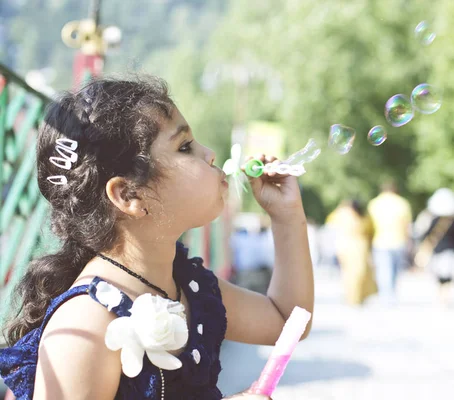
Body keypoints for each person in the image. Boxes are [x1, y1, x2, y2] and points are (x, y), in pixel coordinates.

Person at [0, 76, 314, 400]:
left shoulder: (187, 284)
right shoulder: (85, 325)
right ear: (129, 194)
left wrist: (287, 217)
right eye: (185, 147)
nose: (210, 154)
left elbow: (286, 320)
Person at [367, 181, 412, 305]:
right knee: (396, 270)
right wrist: (408, 241)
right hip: (399, 241)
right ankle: (391, 293)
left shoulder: (374, 203)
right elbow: (407, 225)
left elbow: (369, 226)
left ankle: (386, 295)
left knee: (384, 269)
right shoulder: (402, 203)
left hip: (380, 241)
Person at [326, 200, 377, 306]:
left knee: (360, 272)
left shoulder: (359, 216)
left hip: (358, 247)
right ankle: (352, 297)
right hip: (349, 247)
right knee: (351, 273)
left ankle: (359, 296)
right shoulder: (344, 213)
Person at [419, 188, 454, 306]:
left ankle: (441, 296)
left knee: (440, 275)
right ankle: (446, 296)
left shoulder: (435, 220)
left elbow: (427, 234)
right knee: (447, 275)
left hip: (438, 251)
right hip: (450, 251)